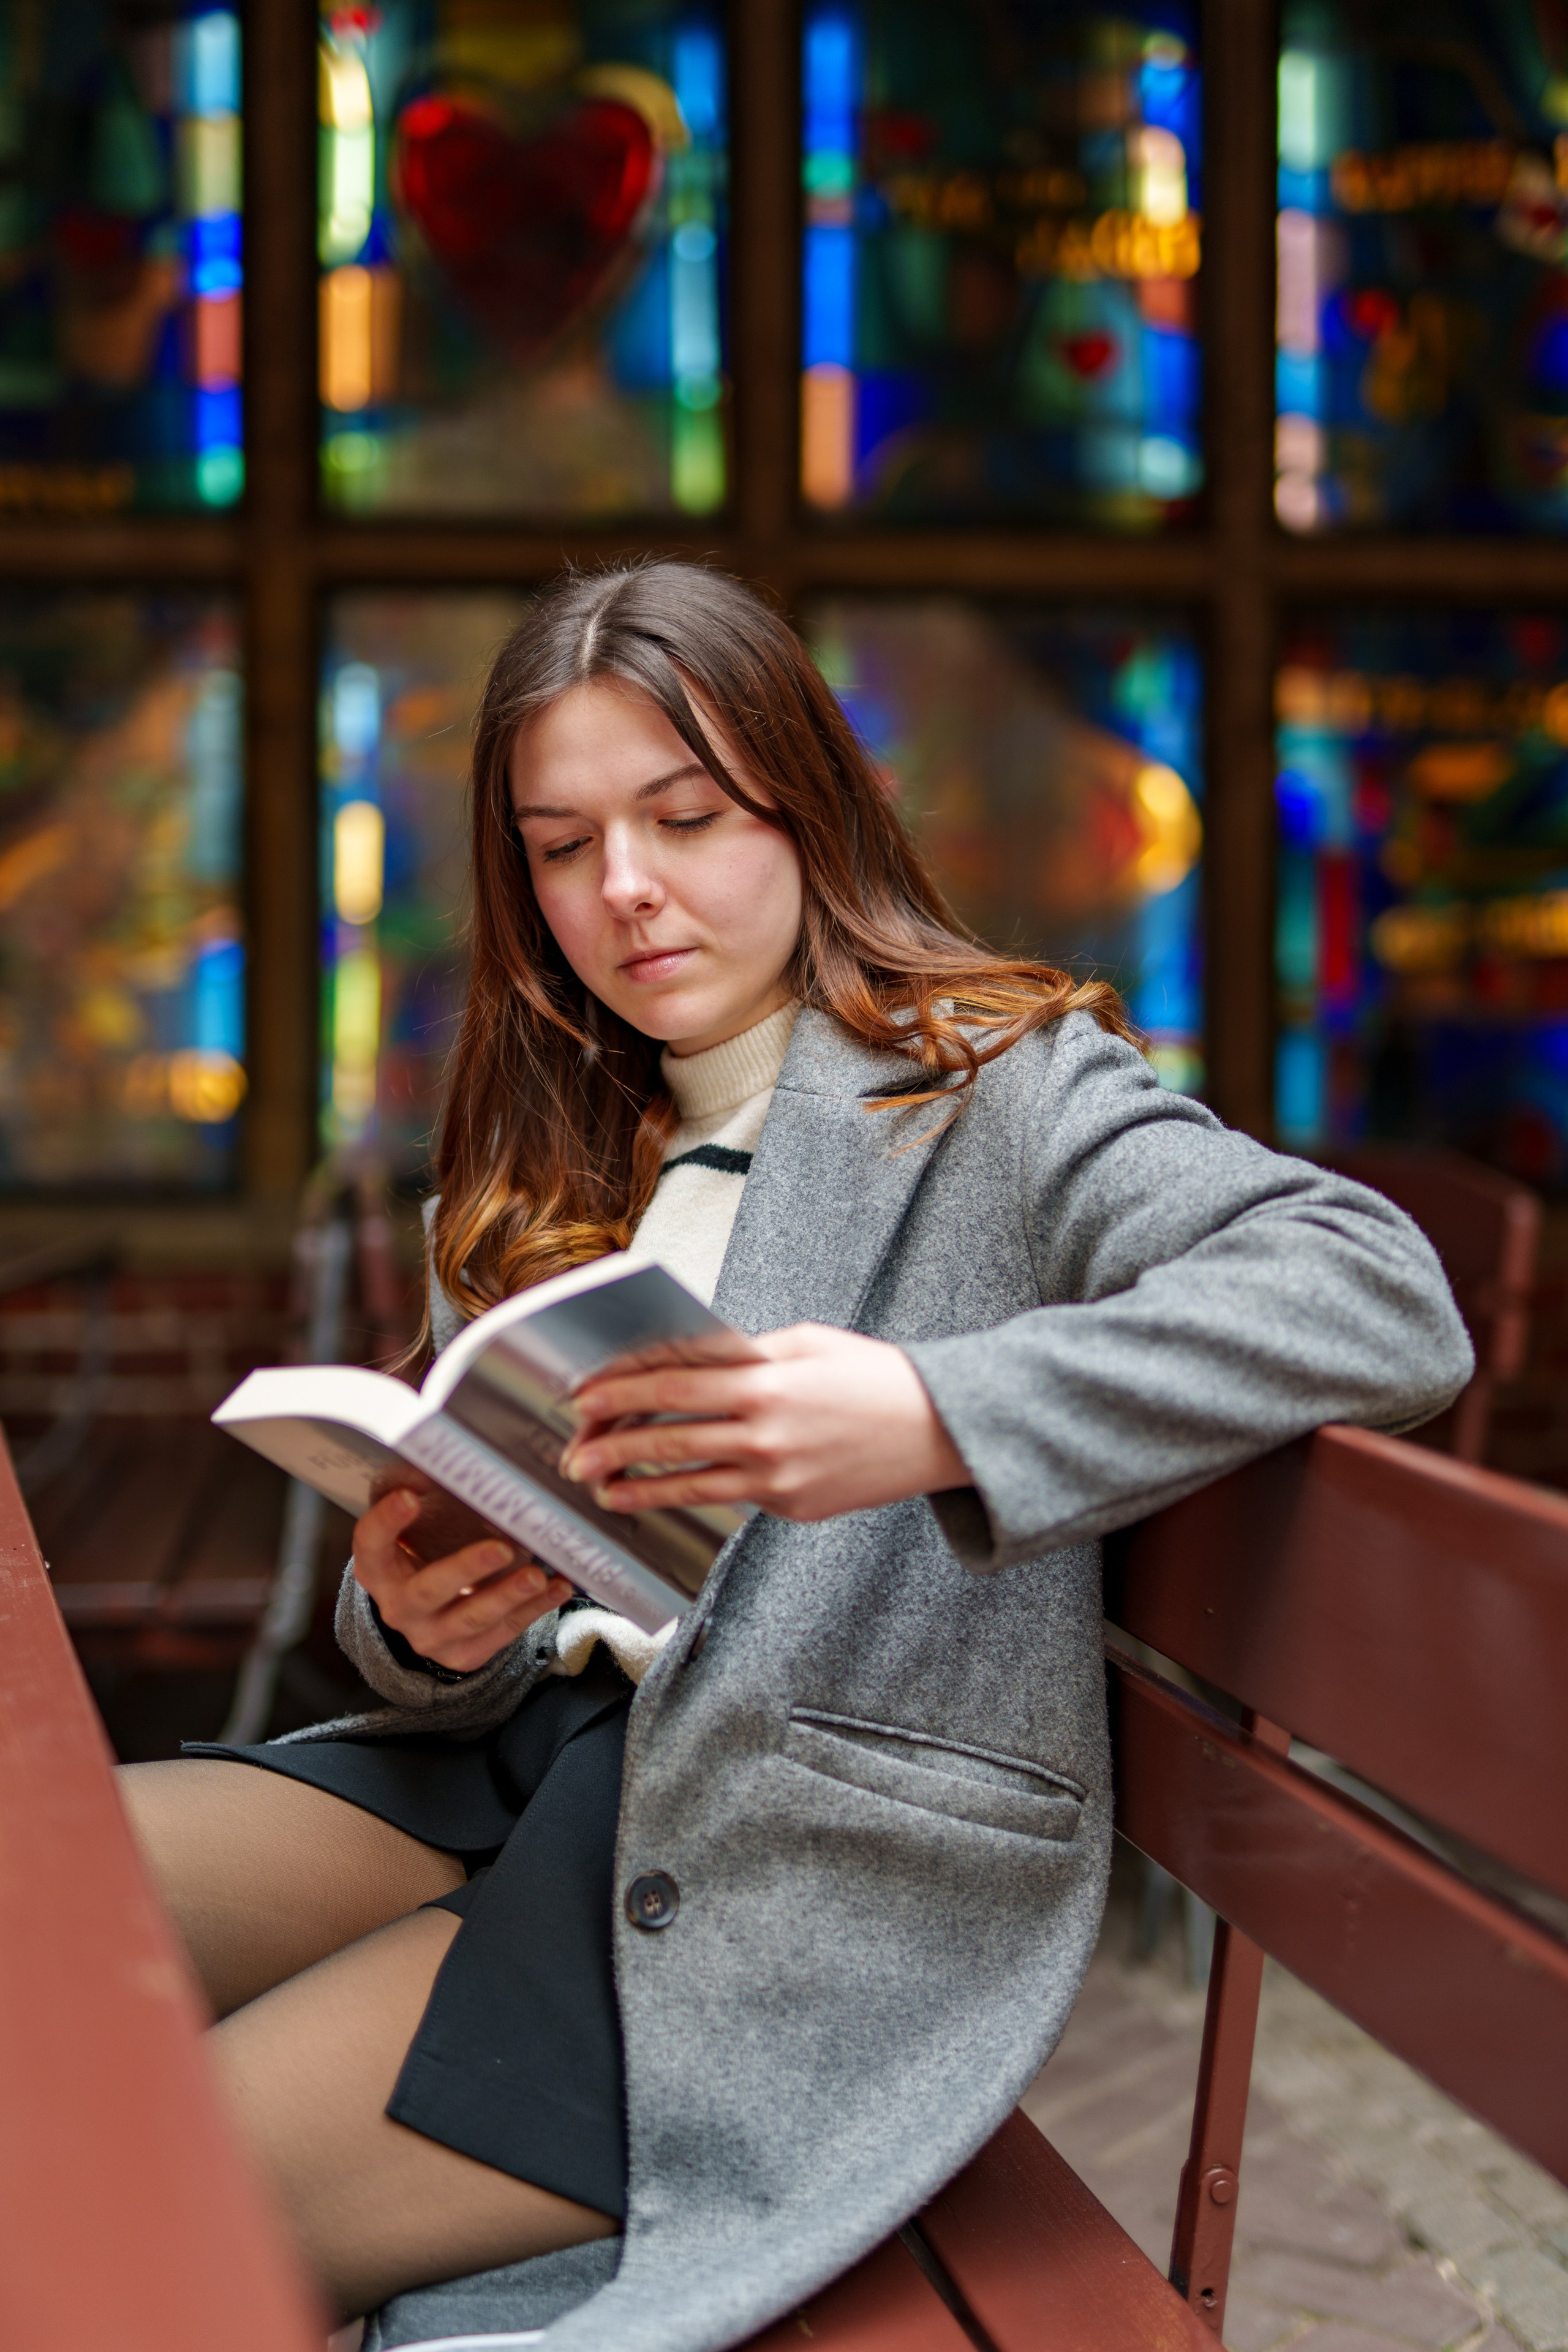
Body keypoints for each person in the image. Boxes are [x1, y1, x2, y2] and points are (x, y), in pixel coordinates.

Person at [119, 562, 1472, 2348]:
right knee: (43, 1895)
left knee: (147, 2198)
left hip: (776, 1874)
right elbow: (501, 1603)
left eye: (687, 817)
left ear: (808, 808)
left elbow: (1381, 1300)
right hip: (516, 1774)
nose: (625, 890)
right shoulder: (554, 1150)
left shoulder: (1003, 1089)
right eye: (559, 842)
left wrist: (931, 1416)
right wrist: (422, 1621)